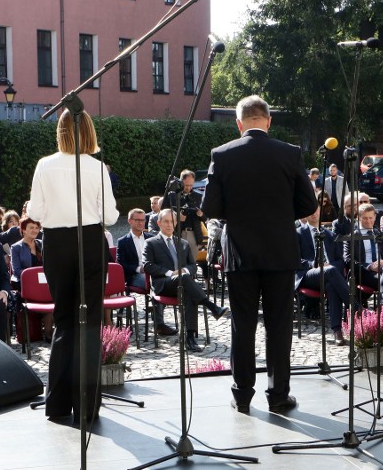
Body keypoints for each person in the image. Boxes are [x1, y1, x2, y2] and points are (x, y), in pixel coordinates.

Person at [201, 95, 317, 414]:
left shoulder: (222, 155)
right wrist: (280, 214)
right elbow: (309, 205)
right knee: (279, 325)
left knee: (243, 324)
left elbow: (210, 207)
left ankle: (242, 394)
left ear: (238, 123)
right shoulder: (290, 154)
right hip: (280, 252)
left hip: (239, 253)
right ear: (268, 121)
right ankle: (278, 394)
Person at [28, 108, 119, 423]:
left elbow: (36, 212)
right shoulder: (96, 168)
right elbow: (109, 217)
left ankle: (56, 405)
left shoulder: (44, 165)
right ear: (88, 131)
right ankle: (87, 406)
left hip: (57, 245)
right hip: (90, 243)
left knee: (64, 320)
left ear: (60, 132)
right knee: (90, 323)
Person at [143, 209, 228, 352]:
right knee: (185, 280)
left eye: (172, 222)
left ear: (176, 224)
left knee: (189, 292)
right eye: (166, 221)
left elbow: (193, 266)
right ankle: (211, 306)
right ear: (159, 223)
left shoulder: (183, 243)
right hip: (164, 284)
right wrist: (171, 273)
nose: (169, 225)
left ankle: (190, 338)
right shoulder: (151, 243)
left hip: (183, 283)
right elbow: (147, 265)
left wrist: (185, 271)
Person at [295, 207, 350, 345]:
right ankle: (355, 306)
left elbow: (340, 260)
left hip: (329, 275)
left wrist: (329, 266)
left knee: (331, 284)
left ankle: (337, 330)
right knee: (331, 271)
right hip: (307, 275)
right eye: (310, 210)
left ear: (321, 212)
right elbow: (295, 260)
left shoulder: (330, 235)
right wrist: (315, 265)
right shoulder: (298, 233)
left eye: (316, 210)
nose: (313, 213)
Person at [116, 208, 175, 335]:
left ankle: (157, 317)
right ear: (130, 221)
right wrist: (139, 269)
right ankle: (159, 324)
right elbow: (121, 264)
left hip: (153, 273)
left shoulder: (151, 237)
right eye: (137, 220)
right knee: (156, 284)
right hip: (136, 276)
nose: (141, 223)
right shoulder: (123, 241)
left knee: (163, 282)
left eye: (143, 220)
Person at [344, 203, 383, 309]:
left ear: (375, 217)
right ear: (358, 218)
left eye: (370, 218)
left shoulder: (379, 234)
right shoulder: (352, 237)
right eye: (364, 218)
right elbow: (348, 260)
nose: (368, 221)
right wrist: (369, 266)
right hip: (364, 273)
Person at [10, 217, 53, 341]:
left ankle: (49, 332)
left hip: (44, 282)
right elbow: (17, 270)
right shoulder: (16, 247)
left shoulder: (41, 243)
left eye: (36, 228)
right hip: (27, 284)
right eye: (31, 228)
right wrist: (33, 276)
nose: (35, 230)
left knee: (51, 295)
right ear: (23, 230)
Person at [165, 169, 205, 260]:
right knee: (177, 263)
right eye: (186, 185)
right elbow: (164, 212)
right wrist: (177, 217)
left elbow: (205, 218)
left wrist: (201, 214)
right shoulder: (172, 196)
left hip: (193, 234)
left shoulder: (198, 196)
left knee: (192, 263)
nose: (189, 188)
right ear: (181, 182)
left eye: (191, 185)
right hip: (177, 232)